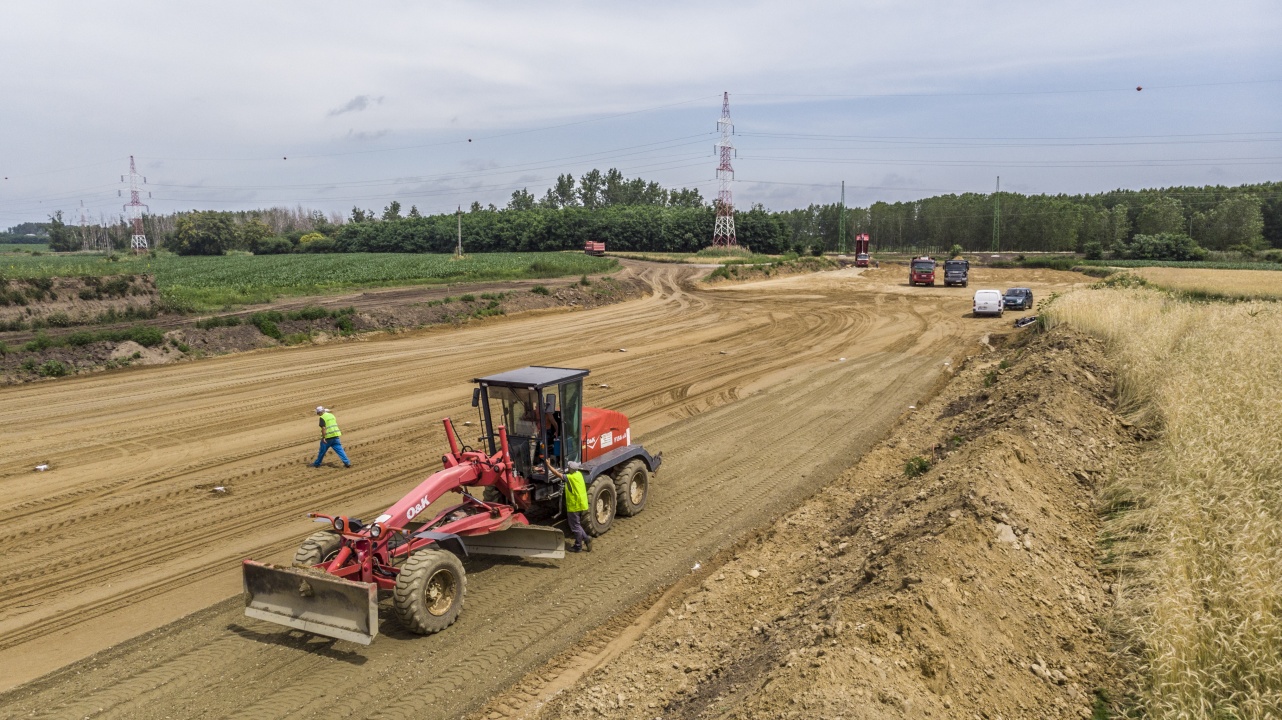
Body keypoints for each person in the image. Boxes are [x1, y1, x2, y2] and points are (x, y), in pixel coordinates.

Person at [545, 460, 591, 552]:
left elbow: (557, 474)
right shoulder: (578, 474)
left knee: (575, 527)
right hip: (581, 504)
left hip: (574, 506)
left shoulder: (570, 477)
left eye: (569, 467)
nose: (568, 468)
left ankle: (578, 546)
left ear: (571, 469)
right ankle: (586, 539)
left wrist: (548, 465)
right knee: (577, 524)